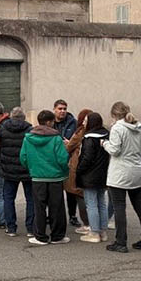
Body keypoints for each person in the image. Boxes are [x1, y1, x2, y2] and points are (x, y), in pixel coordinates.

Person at [103, 102, 141, 253]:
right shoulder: (139, 128)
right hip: (137, 171)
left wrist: (104, 143)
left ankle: (121, 241)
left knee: (119, 206)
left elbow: (115, 150)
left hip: (119, 173)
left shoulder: (117, 128)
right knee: (140, 206)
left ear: (114, 114)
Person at [18, 109, 71, 246]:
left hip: (37, 177)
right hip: (55, 177)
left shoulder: (28, 138)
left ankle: (40, 236)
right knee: (57, 208)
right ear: (49, 122)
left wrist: (32, 168)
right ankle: (57, 236)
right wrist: (65, 172)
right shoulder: (56, 138)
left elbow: (23, 157)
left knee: (39, 207)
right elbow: (62, 159)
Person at [0, 107, 34, 237]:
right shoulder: (30, 129)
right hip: (26, 168)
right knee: (30, 199)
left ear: (11, 117)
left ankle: (11, 227)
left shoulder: (3, 128)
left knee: (8, 198)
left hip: (8, 168)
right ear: (24, 117)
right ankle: (30, 228)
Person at [75, 112, 110, 243]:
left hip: (89, 176)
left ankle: (94, 232)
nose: (83, 123)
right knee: (101, 202)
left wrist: (79, 170)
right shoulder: (106, 135)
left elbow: (87, 158)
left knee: (91, 204)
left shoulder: (89, 138)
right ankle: (103, 231)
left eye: (85, 121)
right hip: (103, 174)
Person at [52, 100, 82, 226]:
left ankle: (72, 215)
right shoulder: (50, 123)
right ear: (54, 109)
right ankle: (53, 215)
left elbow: (78, 140)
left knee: (70, 190)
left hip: (69, 160)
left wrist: (70, 142)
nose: (62, 111)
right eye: (60, 108)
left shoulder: (73, 123)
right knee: (55, 191)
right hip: (54, 161)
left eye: (64, 108)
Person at [64, 108, 93, 234]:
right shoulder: (97, 131)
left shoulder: (81, 132)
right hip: (94, 169)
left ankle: (86, 224)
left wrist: (67, 143)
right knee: (94, 197)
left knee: (79, 194)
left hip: (77, 166)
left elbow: (70, 147)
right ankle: (96, 224)